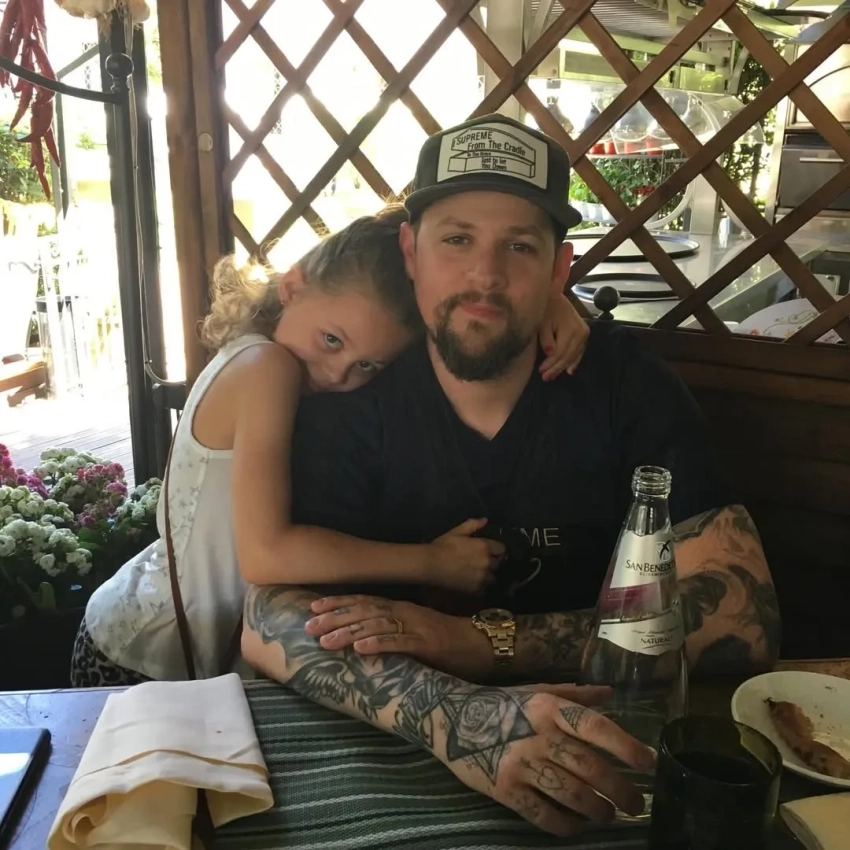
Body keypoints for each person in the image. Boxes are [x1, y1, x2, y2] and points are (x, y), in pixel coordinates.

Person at [241, 114, 781, 837]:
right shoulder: (353, 393)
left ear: (559, 270)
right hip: (395, 752)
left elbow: (745, 615)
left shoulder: (628, 387)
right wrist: (461, 716)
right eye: (457, 240)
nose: (485, 276)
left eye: (520, 247)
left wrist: (483, 642)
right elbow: (267, 619)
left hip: (610, 749)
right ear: (411, 252)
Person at [69, 204, 590, 687]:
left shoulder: (264, 358)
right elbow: (266, 556)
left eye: (368, 365)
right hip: (141, 653)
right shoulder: (267, 368)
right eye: (332, 340)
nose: (339, 373)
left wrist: (550, 303)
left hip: (162, 635)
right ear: (292, 286)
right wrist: (431, 562)